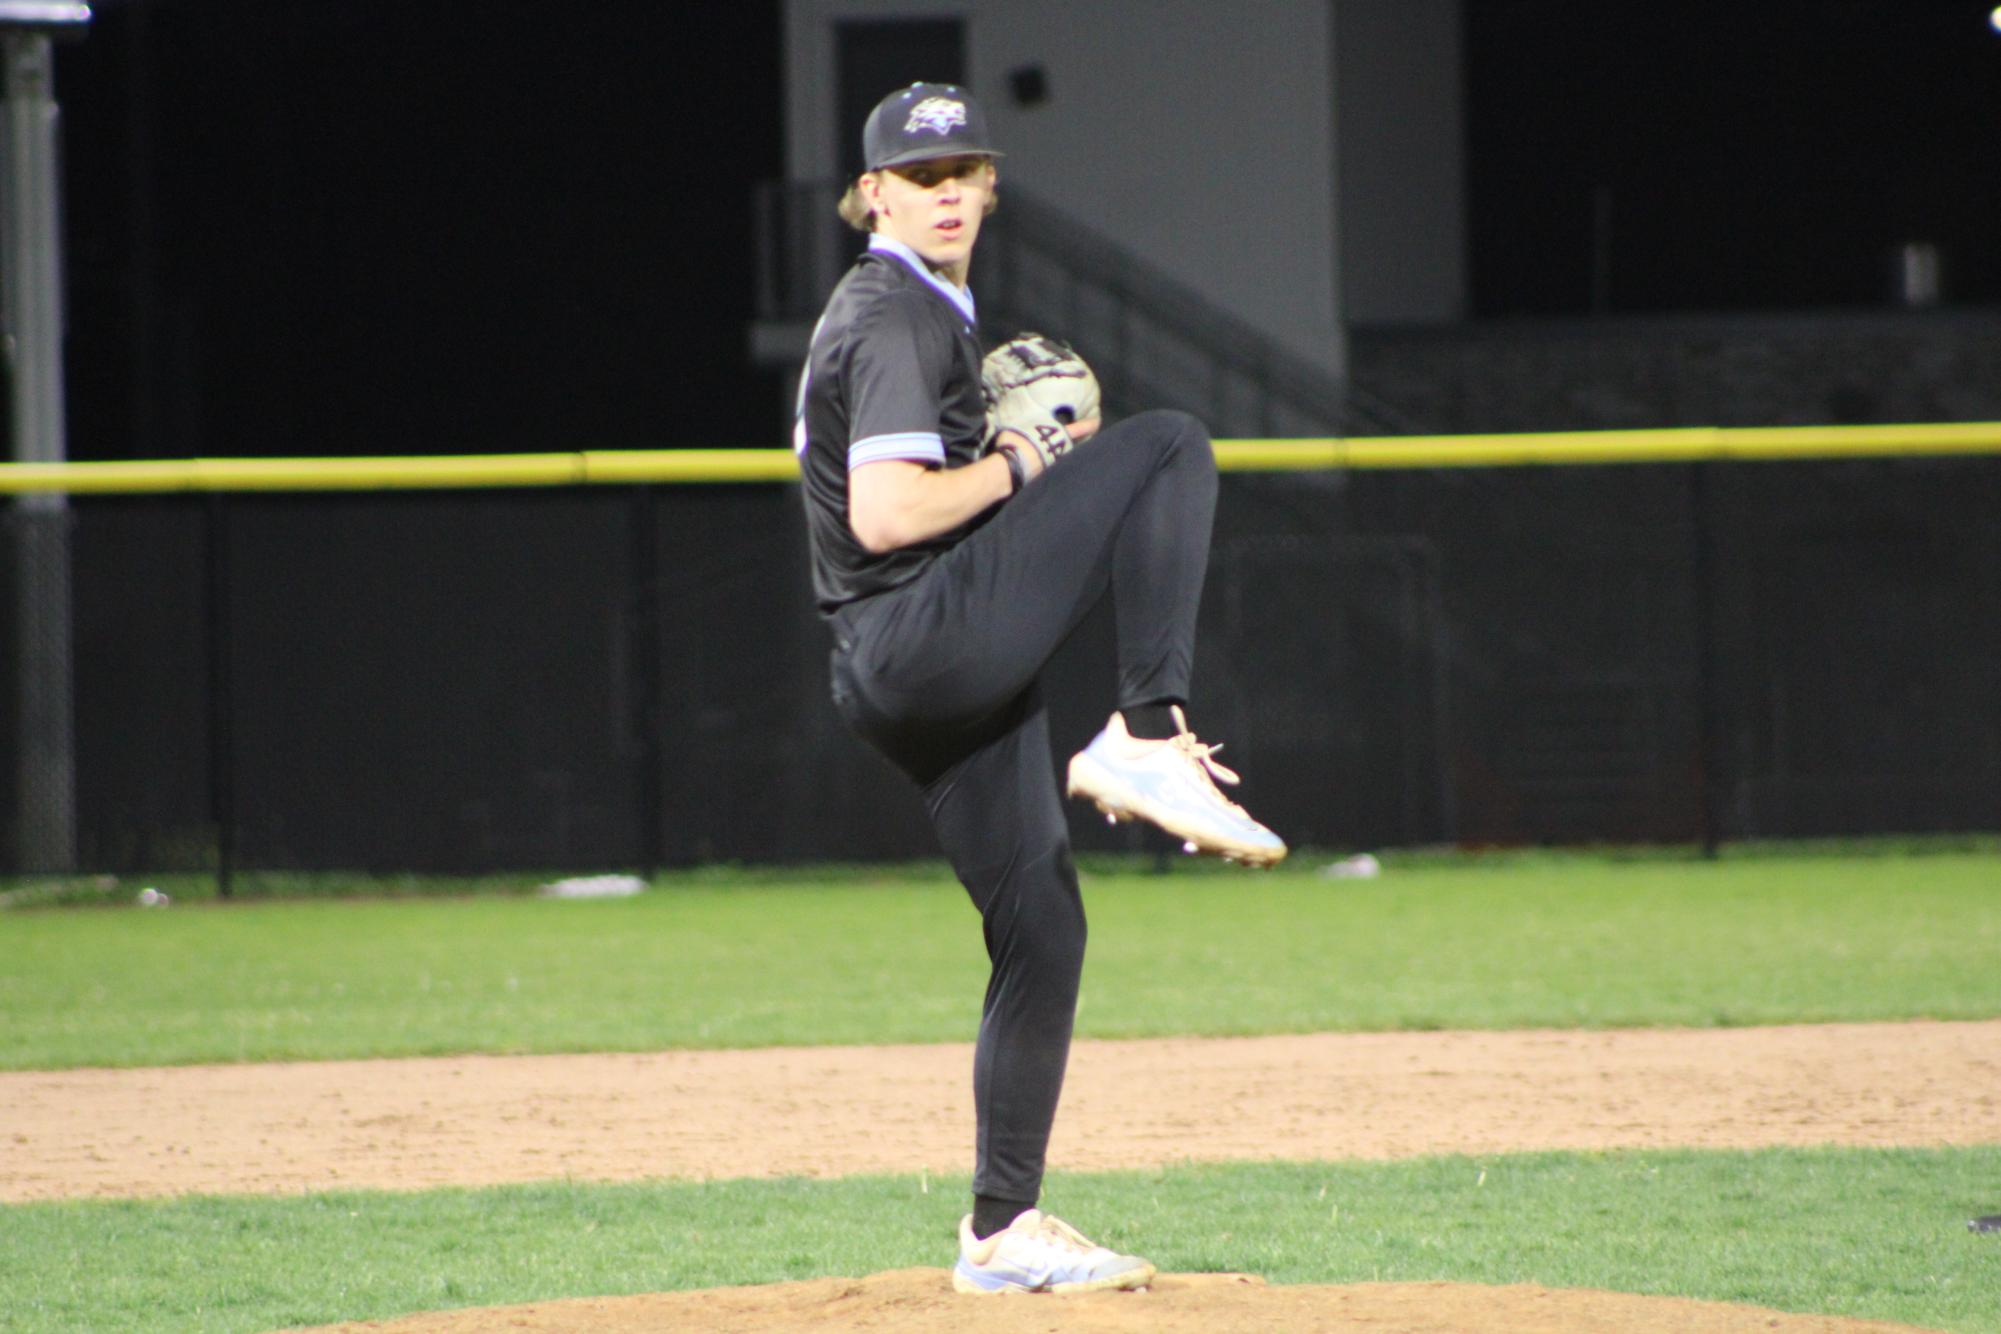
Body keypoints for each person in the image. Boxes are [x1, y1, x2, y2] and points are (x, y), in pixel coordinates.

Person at [794, 82, 1285, 1295]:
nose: (945, 189)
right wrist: (1021, 458)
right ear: (870, 196)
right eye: (918, 175)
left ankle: (1001, 1229)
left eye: (964, 168)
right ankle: (1149, 728)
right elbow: (891, 510)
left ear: (993, 184)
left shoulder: (919, 309)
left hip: (909, 663)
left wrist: (999, 462)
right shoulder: (897, 311)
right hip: (918, 632)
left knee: (1043, 924)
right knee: (1166, 445)